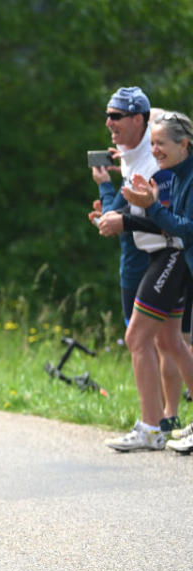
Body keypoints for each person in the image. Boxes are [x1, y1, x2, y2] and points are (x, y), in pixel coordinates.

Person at [97, 110, 193, 451]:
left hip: (170, 255)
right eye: (152, 144)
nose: (154, 150)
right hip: (165, 256)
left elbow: (174, 226)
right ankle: (157, 425)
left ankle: (151, 427)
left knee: (137, 338)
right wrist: (112, 200)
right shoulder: (152, 166)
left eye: (160, 143)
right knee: (170, 343)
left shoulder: (168, 174)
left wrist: (143, 210)